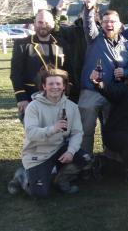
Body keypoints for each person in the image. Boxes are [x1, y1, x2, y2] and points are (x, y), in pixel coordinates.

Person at [7, 69, 90, 197]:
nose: (55, 87)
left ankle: (61, 180)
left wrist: (70, 151)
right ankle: (21, 176)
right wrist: (53, 128)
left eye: (58, 84)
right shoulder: (33, 106)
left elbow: (77, 132)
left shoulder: (71, 106)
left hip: (58, 149)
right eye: (51, 84)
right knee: (39, 194)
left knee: (85, 158)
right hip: (38, 154)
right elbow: (31, 133)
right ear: (44, 86)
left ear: (63, 87)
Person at [78, 0, 128, 156]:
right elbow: (88, 24)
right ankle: (84, 164)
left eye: (113, 21)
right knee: (85, 131)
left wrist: (126, 72)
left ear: (120, 25)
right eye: (105, 21)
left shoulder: (126, 45)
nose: (109, 24)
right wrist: (88, 9)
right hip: (91, 92)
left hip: (113, 94)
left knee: (112, 130)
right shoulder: (94, 38)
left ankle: (111, 161)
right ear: (101, 24)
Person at [10, 9, 70, 120]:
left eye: (47, 23)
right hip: (31, 98)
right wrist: (21, 97)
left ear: (52, 24)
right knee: (36, 135)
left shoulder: (62, 44)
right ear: (34, 24)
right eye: (40, 22)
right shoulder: (22, 45)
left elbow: (68, 70)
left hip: (59, 98)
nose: (43, 26)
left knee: (60, 134)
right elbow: (15, 73)